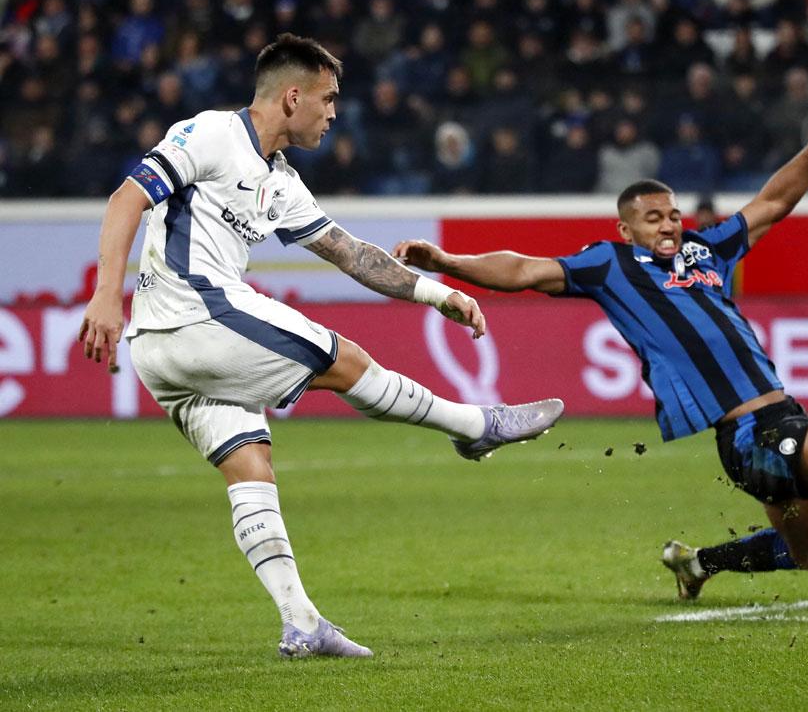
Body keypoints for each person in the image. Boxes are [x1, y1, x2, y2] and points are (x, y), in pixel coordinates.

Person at [392, 74, 808, 601]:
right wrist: (452, 264)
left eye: (673, 213)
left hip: (784, 417)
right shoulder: (608, 264)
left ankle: (699, 564)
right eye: (654, 217)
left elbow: (775, 201)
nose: (670, 223)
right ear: (627, 226)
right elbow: (522, 269)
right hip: (748, 435)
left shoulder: (705, 250)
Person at [76, 34, 563, 658]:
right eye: (328, 100)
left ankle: (301, 622)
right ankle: (475, 424)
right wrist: (104, 295)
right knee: (344, 360)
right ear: (293, 96)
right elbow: (127, 198)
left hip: (163, 353)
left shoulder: (280, 181)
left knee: (250, 465)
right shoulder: (211, 134)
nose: (334, 113)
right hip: (196, 315)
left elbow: (352, 255)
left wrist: (439, 295)